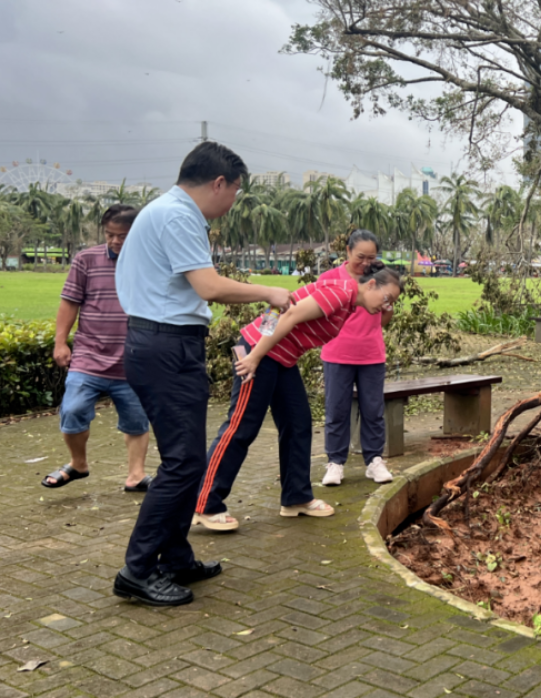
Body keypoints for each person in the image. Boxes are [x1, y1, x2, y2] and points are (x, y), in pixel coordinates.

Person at [112, 142, 291, 607]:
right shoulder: (178, 215)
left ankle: (174, 557)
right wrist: (268, 291)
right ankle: (137, 569)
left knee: (186, 457)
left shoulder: (170, 212)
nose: (233, 202)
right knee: (183, 462)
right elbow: (208, 287)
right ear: (219, 183)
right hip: (164, 346)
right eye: (235, 191)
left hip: (165, 344)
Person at [191, 263, 403, 531]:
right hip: (263, 356)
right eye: (387, 299)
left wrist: (259, 342)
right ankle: (204, 504)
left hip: (281, 359)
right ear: (371, 284)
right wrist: (254, 353)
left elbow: (283, 303)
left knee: (298, 424)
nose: (386, 306)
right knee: (241, 427)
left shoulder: (348, 300)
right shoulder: (340, 293)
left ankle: (296, 497)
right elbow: (288, 317)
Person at [43, 205, 151, 492]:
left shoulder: (150, 261)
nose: (115, 241)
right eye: (110, 234)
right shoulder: (86, 259)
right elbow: (70, 302)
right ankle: (78, 464)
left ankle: (136, 476)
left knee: (137, 419)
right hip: (89, 356)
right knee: (73, 409)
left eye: (123, 236)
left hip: (133, 359)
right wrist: (60, 341)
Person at [318, 230, 396, 487]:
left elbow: (383, 321)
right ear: (348, 252)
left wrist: (388, 307)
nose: (365, 263)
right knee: (337, 410)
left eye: (371, 257)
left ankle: (374, 461)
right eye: (360, 256)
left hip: (371, 355)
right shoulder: (329, 278)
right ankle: (335, 462)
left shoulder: (379, 279)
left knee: (373, 411)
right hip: (337, 354)